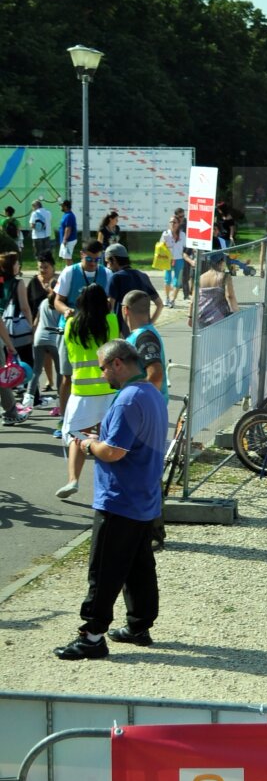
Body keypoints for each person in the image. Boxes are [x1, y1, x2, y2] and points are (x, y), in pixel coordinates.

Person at [52, 337, 168, 660]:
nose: (103, 375)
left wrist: (89, 445)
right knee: (138, 566)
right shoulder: (151, 393)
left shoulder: (128, 399)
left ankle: (92, 635)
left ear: (117, 363)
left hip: (120, 499)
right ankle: (138, 625)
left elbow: (114, 452)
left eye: (103, 368)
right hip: (144, 498)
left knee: (104, 570)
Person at [56, 284, 121, 499]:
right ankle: (111, 483)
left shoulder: (71, 325)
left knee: (78, 436)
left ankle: (73, 480)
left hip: (81, 391)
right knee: (109, 439)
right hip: (108, 388)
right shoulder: (110, 321)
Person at [22, 254, 62, 412]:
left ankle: (28, 400)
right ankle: (61, 401)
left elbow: (36, 322)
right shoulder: (60, 304)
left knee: (36, 371)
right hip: (55, 339)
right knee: (61, 372)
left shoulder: (44, 302)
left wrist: (32, 336)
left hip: (39, 338)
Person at [0, 253, 35, 406]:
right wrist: (32, 326)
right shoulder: (18, 283)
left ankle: (13, 395)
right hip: (16, 329)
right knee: (27, 361)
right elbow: (25, 307)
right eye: (16, 263)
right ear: (11, 266)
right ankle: (32, 397)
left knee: (6, 365)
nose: (19, 266)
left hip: (3, 326)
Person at [105, 246, 163, 320]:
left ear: (113, 259)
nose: (107, 266)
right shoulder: (143, 276)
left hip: (123, 329)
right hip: (143, 329)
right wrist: (150, 323)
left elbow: (109, 308)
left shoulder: (116, 277)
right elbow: (160, 304)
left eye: (107, 262)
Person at [192, 251, 238, 326]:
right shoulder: (225, 276)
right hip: (220, 319)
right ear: (221, 262)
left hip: (202, 317)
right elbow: (230, 296)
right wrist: (237, 312)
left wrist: (190, 317)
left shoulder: (200, 277)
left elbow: (193, 300)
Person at [159, 211, 192, 308]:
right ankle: (167, 298)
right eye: (171, 222)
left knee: (177, 281)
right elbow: (160, 247)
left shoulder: (182, 235)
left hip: (179, 259)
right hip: (167, 259)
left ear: (178, 224)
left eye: (174, 222)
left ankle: (173, 300)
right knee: (167, 279)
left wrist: (188, 256)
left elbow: (186, 247)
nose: (172, 224)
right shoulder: (165, 234)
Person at [29, 196, 53, 264]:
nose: (32, 208)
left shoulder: (34, 213)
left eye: (33, 207)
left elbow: (32, 225)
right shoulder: (48, 213)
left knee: (39, 254)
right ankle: (48, 267)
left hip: (37, 236)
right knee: (47, 254)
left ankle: (40, 269)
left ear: (36, 206)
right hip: (47, 235)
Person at [58, 196, 78, 263]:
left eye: (62, 206)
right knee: (66, 257)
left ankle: (71, 271)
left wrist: (65, 239)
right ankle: (67, 269)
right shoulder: (66, 215)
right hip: (67, 240)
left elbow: (68, 228)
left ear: (66, 207)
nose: (61, 207)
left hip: (69, 240)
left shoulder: (69, 216)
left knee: (68, 258)